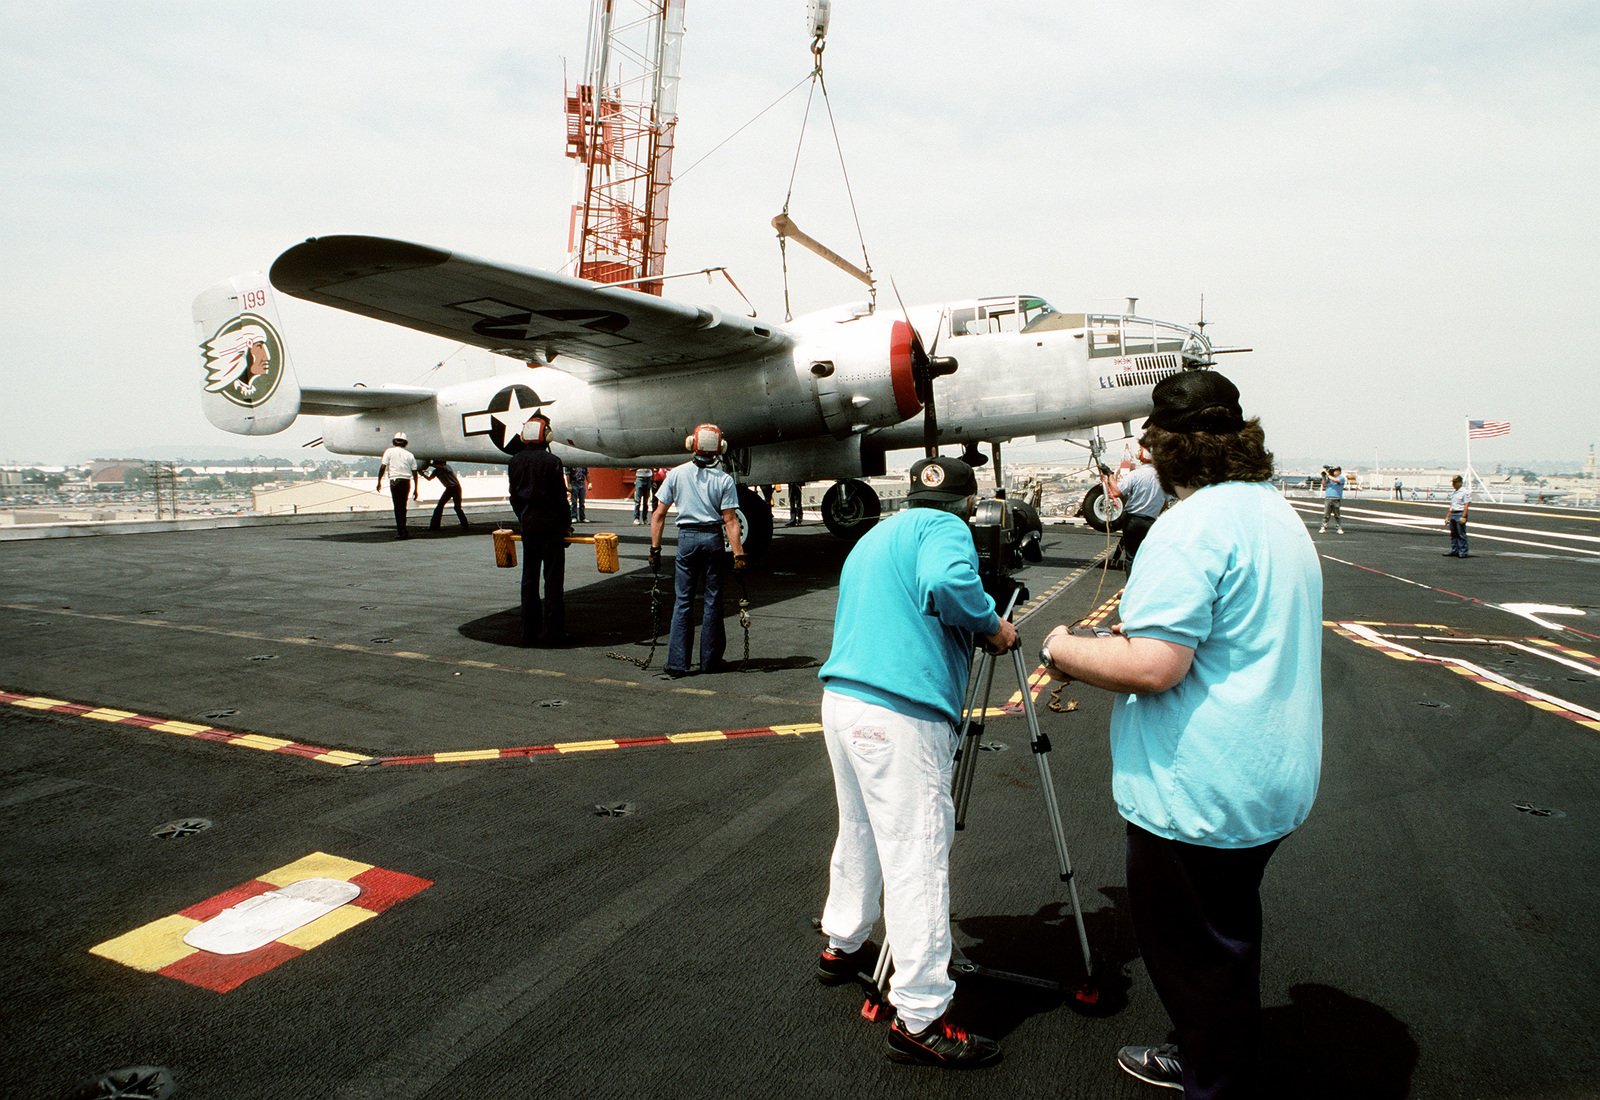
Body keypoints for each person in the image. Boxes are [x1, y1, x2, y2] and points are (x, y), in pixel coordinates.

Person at [1038, 370, 1322, 1099]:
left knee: (1195, 954)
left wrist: (1063, 648)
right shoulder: (1273, 512)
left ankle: (1214, 1078)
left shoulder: (1189, 527)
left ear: (1163, 447)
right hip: (1270, 778)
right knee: (1224, 938)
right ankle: (1209, 1053)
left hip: (1202, 789)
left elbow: (1155, 665)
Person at [814, 456, 1019, 1070]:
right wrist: (992, 625)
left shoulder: (878, 533)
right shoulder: (946, 529)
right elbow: (952, 585)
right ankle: (923, 1014)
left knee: (860, 831)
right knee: (917, 853)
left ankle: (843, 943)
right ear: (969, 503)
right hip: (900, 711)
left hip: (843, 699)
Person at [649, 425, 747, 677]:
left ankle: (677, 663)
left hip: (687, 539)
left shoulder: (676, 474)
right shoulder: (724, 479)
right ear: (720, 448)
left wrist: (655, 549)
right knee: (713, 600)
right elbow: (731, 521)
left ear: (691, 443)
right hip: (713, 539)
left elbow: (658, 515)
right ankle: (710, 661)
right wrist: (739, 555)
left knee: (683, 600)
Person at [508, 416, 571, 646]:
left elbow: (514, 497)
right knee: (553, 582)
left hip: (529, 526)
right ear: (546, 436)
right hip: (551, 527)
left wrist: (523, 518)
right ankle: (552, 632)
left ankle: (528, 631)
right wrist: (566, 525)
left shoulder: (514, 462)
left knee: (529, 580)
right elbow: (560, 498)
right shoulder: (553, 461)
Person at [1114, 448, 1170, 564]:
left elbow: (1116, 492)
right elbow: (1165, 503)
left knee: (1131, 557)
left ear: (1141, 456)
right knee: (1146, 556)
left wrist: (1109, 476)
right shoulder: (1164, 478)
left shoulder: (1135, 474)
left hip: (1132, 520)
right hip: (1150, 521)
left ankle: (1130, 580)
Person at [376, 433, 419, 539]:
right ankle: (403, 530)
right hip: (406, 481)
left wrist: (379, 482)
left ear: (394, 442)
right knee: (403, 507)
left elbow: (383, 467)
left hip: (395, 481)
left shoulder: (389, 451)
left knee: (397, 507)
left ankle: (401, 532)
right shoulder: (409, 454)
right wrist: (416, 488)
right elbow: (415, 472)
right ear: (405, 443)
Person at [422, 459, 469, 530]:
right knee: (455, 507)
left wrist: (428, 466)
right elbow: (429, 478)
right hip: (453, 488)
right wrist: (422, 473)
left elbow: (430, 477)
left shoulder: (446, 467)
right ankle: (465, 525)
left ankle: (434, 526)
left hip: (453, 488)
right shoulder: (440, 469)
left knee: (442, 506)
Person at [1446, 474, 1471, 557]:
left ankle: (1463, 552)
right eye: (1453, 482)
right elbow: (1452, 506)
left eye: (1455, 482)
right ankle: (1455, 550)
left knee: (1461, 534)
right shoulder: (1454, 492)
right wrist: (1448, 517)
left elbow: (1466, 504)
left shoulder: (1464, 492)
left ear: (1460, 482)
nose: (1453, 484)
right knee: (1453, 534)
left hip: (1460, 513)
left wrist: (1463, 516)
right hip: (1453, 513)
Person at [1319, 465, 1345, 533]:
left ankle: (1339, 528)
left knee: (1337, 515)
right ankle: (1323, 527)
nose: (1334, 472)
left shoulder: (1341, 478)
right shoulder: (1329, 478)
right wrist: (1324, 477)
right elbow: (1324, 485)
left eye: (1335, 470)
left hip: (1336, 498)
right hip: (1328, 498)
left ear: (1339, 471)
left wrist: (1328, 474)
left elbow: (1336, 480)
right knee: (1326, 514)